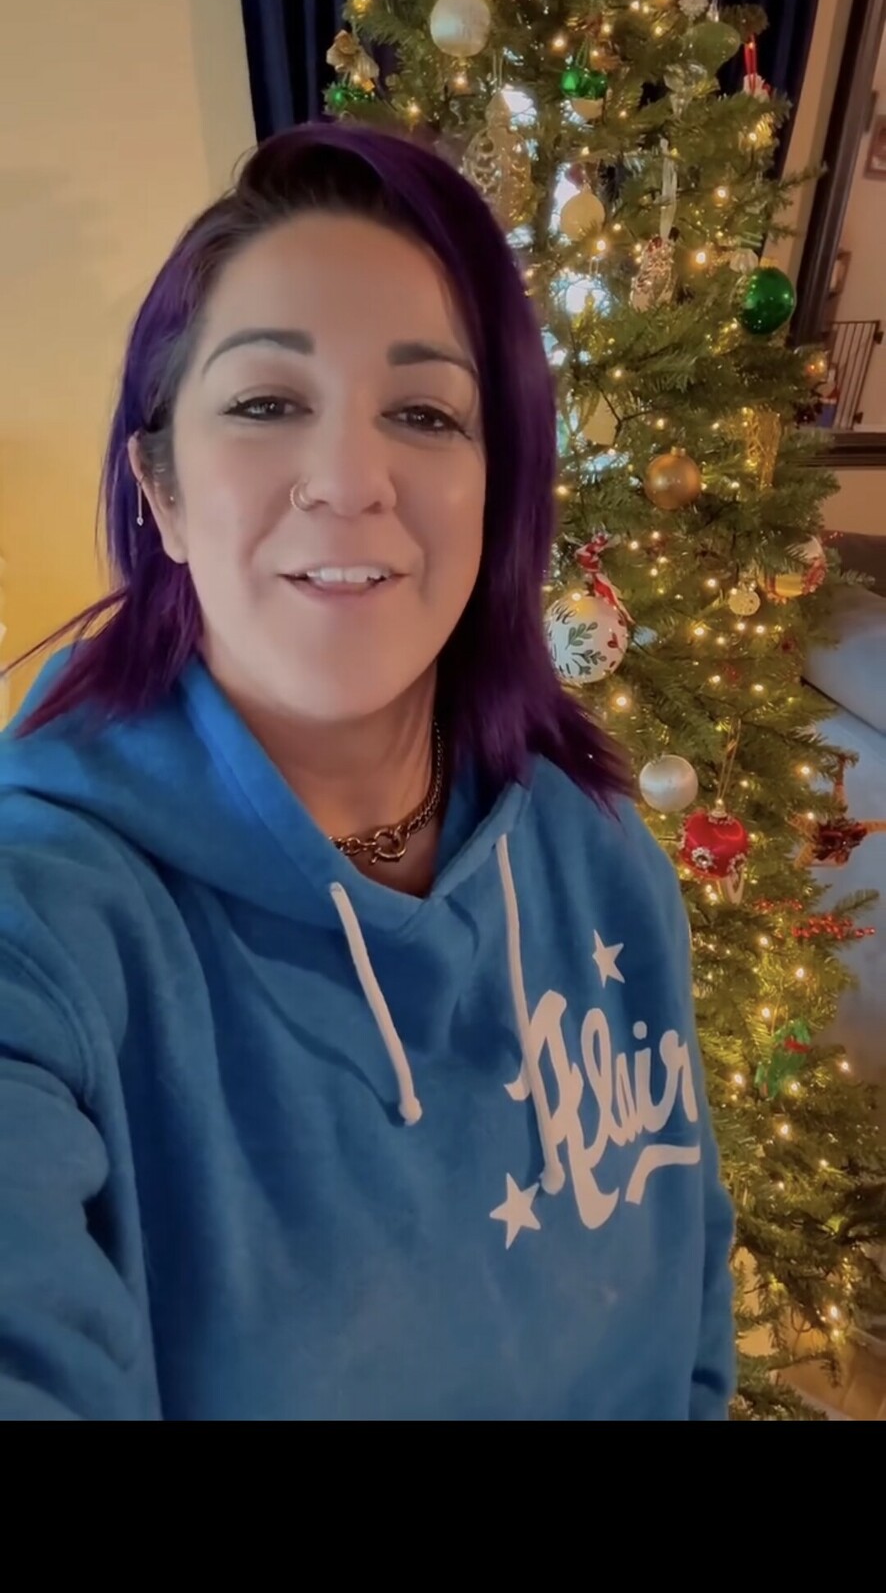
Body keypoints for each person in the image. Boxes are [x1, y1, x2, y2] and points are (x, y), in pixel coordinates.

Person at [0, 124, 734, 1421]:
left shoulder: (598, 848)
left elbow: (690, 1310)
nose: (347, 481)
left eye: (425, 413)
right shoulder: (41, 925)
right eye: (266, 404)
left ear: (498, 490)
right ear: (160, 489)